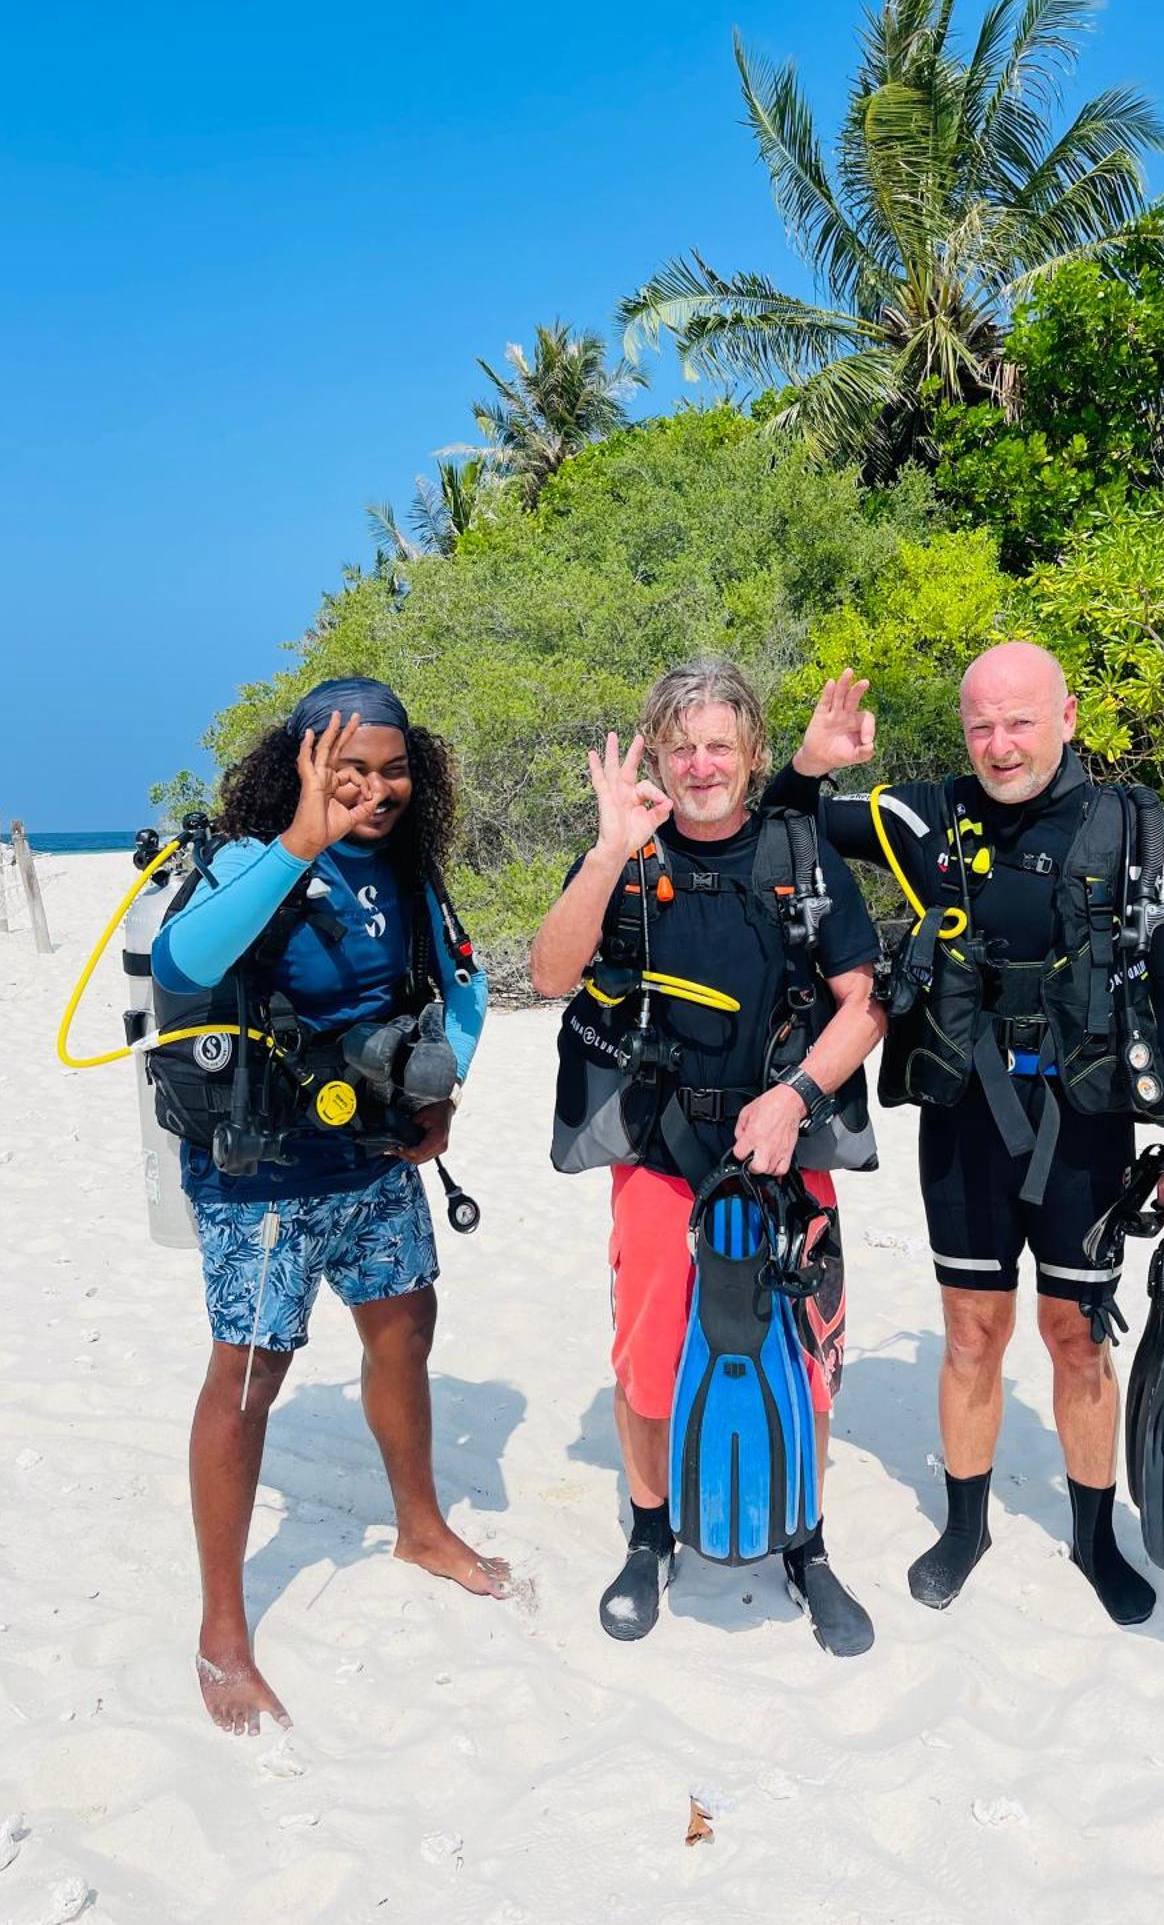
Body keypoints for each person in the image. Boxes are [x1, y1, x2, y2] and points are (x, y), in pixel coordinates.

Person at [772, 646, 1164, 1626]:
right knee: (973, 1332)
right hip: (968, 1128)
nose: (999, 743)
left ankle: (1095, 1534)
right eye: (981, 723)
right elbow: (780, 823)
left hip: (1090, 1132)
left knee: (1076, 1337)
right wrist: (810, 765)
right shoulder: (924, 817)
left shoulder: (1130, 828)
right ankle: (967, 1521)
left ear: (1066, 715)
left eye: (1019, 720)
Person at [150, 676, 507, 1735]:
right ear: (299, 763)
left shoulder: (408, 868)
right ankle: (224, 1627)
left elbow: (469, 986)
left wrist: (444, 1093)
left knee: (405, 1331)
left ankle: (420, 1523)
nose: (376, 787)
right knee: (249, 1375)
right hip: (261, 1178)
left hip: (373, 1159)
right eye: (348, 767)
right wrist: (302, 838)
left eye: (394, 767)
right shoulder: (245, 861)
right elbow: (184, 961)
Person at [530, 659, 887, 1654]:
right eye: (681, 746)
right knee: (648, 1360)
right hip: (662, 1150)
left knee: (809, 1355)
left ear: (753, 753)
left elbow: (866, 999)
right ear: (659, 754)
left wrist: (795, 1096)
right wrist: (606, 852)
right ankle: (650, 1533)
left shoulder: (800, 846)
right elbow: (553, 970)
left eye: (719, 745)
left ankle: (804, 1540)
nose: (700, 765)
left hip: (788, 1139)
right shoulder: (630, 858)